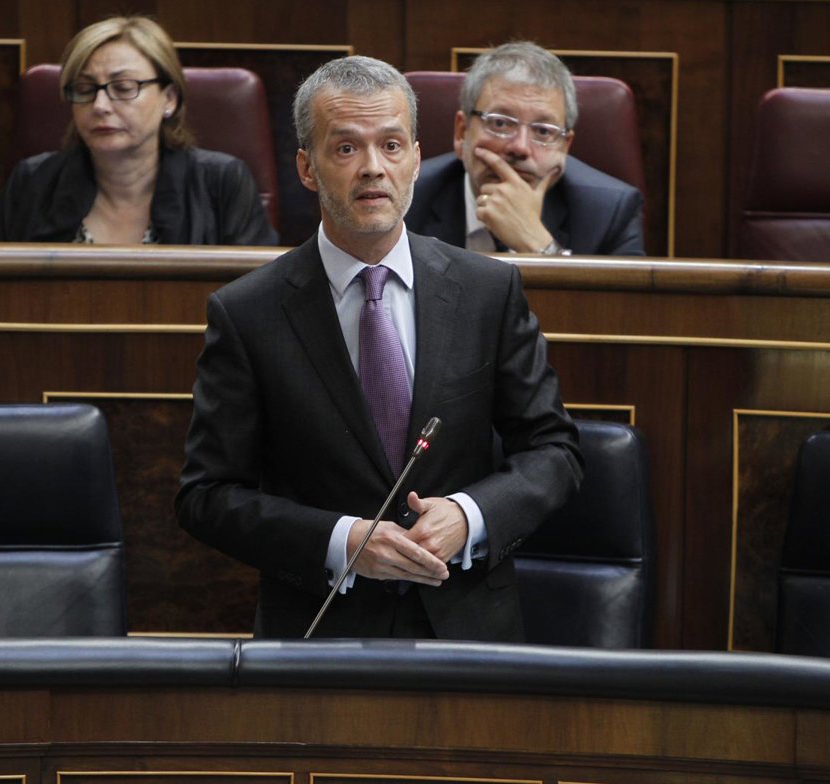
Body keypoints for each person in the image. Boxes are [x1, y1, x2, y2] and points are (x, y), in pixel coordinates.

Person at [175, 55, 582, 640]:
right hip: (321, 633)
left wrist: (470, 516)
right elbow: (207, 495)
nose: (373, 168)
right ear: (307, 168)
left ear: (415, 158)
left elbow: (554, 450)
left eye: (391, 146)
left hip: (466, 626)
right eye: (346, 148)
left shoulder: (487, 290)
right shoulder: (247, 312)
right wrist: (342, 541)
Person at [0, 16, 277, 246]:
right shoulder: (33, 181)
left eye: (123, 88)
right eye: (84, 89)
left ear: (169, 99)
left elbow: (258, 295)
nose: (100, 105)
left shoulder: (223, 183)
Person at [405, 41, 644, 256]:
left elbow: (621, 295)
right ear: (462, 132)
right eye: (500, 123)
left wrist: (540, 246)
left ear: (564, 147)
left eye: (543, 131)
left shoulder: (610, 213)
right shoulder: (406, 197)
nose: (520, 147)